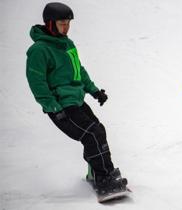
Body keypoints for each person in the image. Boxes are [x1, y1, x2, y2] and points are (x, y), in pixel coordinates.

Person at [26, 2, 127, 195]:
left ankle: (97, 172)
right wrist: (52, 106)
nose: (66, 27)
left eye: (68, 23)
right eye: (62, 23)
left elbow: (78, 70)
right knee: (91, 134)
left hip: (77, 101)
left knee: (99, 131)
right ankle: (103, 178)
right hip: (61, 106)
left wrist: (94, 91)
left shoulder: (67, 44)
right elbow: (36, 81)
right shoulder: (39, 50)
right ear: (50, 23)